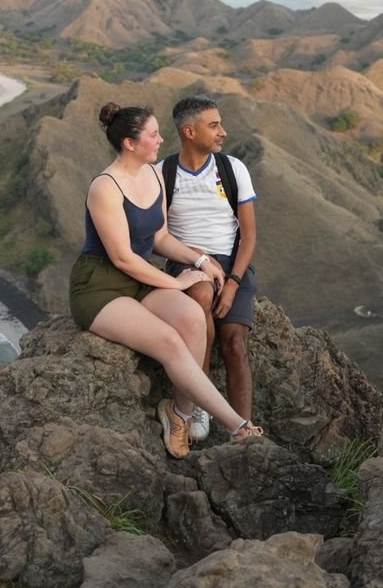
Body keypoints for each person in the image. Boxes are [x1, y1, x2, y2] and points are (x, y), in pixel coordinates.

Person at [67, 101, 264, 458]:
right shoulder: (105, 187)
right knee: (170, 341)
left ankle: (180, 414)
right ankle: (239, 426)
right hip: (100, 286)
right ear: (130, 143)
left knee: (192, 318)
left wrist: (200, 261)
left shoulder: (154, 176)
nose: (161, 140)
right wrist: (176, 283)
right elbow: (122, 257)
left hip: (139, 279)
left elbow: (159, 238)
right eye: (153, 135)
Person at [160, 95, 258, 442]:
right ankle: (200, 402)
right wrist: (196, 257)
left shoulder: (233, 169)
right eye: (213, 125)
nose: (223, 132)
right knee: (201, 294)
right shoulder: (162, 174)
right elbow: (156, 237)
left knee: (235, 344)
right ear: (189, 131)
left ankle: (242, 429)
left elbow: (249, 236)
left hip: (232, 263)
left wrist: (232, 284)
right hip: (186, 261)